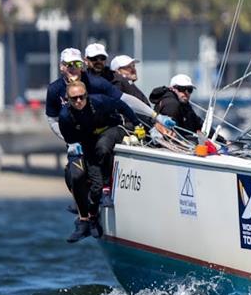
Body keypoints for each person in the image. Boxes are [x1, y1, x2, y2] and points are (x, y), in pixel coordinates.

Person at [58, 81, 143, 242]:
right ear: (67, 99)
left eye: (81, 97)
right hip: (84, 142)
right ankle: (85, 220)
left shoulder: (99, 101)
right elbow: (69, 138)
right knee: (80, 177)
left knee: (101, 159)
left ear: (86, 96)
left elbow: (123, 106)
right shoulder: (64, 117)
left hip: (107, 132)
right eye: (74, 98)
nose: (78, 101)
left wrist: (138, 125)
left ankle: (97, 208)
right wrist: (73, 145)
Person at [46, 48, 174, 143]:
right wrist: (70, 141)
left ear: (82, 66)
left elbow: (126, 100)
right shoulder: (54, 89)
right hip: (76, 138)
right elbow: (53, 120)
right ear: (62, 67)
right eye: (69, 65)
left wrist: (155, 116)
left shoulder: (97, 82)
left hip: (101, 132)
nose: (73, 68)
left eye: (77, 64)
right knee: (76, 176)